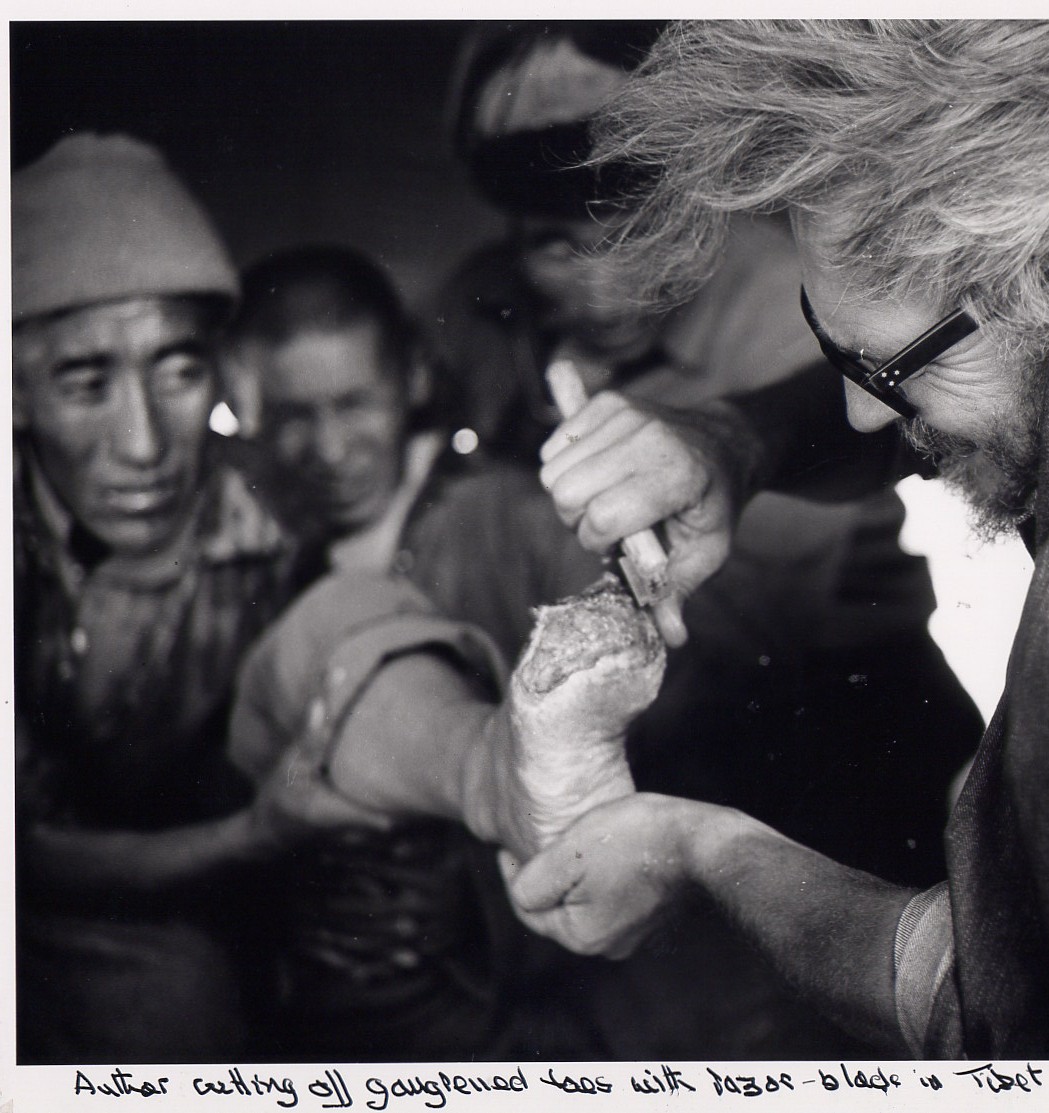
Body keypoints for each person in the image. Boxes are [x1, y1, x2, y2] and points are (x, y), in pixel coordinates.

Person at [502, 20, 1049, 1058]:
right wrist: (736, 441)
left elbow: (1018, 1017)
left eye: (881, 374)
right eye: (836, 359)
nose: (863, 419)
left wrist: (701, 852)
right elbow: (964, 360)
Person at [226, 243, 867, 1059]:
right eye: (293, 416)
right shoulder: (259, 553)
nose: (327, 447)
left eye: (353, 404)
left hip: (574, 981)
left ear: (412, 379)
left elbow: (678, 709)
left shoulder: (513, 517)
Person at [437, 22, 983, 884]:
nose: (597, 273)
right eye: (552, 239)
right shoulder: (476, 313)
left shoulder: (789, 298)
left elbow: (728, 650)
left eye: (623, 213)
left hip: (833, 765)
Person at [9, 133, 356, 1063]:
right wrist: (250, 837)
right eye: (84, 382)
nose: (144, 444)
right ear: (15, 395)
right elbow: (21, 850)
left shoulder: (273, 525)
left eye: (178, 371)